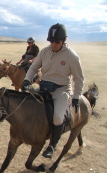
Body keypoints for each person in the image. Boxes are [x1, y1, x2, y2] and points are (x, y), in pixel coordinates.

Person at [21, 23, 84, 158]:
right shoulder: (44, 51)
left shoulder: (72, 56)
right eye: (51, 41)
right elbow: (34, 67)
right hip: (43, 87)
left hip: (61, 91)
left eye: (57, 41)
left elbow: (79, 78)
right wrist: (27, 79)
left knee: (57, 118)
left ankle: (52, 145)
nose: (54, 44)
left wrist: (77, 96)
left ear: (64, 40)